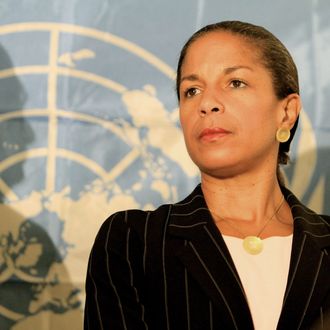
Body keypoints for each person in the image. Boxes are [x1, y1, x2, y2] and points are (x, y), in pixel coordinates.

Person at [84, 21, 330, 330]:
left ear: (287, 112)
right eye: (192, 90)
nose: (207, 103)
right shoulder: (135, 242)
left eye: (235, 83)